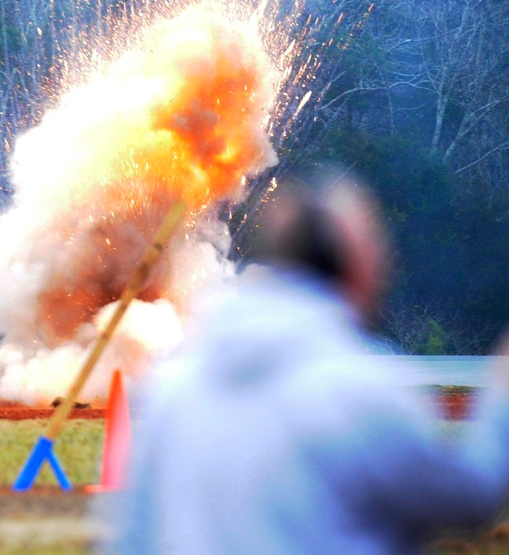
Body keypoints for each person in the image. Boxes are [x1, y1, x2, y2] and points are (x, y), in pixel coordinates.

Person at [103, 170, 509, 555]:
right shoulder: (364, 390)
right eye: (377, 247)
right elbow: (472, 499)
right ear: (353, 264)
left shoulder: (170, 389)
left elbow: (131, 538)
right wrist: (502, 391)